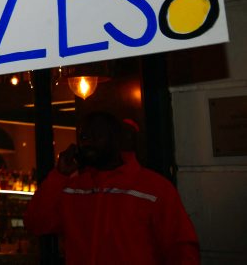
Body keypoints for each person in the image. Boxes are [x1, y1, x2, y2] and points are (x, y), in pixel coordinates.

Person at [24, 111, 199, 264]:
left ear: (116, 140)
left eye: (98, 136)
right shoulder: (72, 187)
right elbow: (36, 223)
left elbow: (181, 248)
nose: (89, 143)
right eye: (84, 137)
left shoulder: (153, 188)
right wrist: (59, 175)